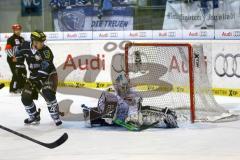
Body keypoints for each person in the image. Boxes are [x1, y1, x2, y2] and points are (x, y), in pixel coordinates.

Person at [82, 73, 178, 129]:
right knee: (99, 115)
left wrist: (133, 117)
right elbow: (101, 105)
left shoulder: (131, 92)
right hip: (110, 118)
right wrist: (108, 115)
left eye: (126, 86)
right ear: (117, 85)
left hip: (125, 117)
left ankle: (167, 117)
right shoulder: (110, 91)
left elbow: (137, 103)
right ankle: (91, 114)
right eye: (122, 86)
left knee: (143, 115)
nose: (124, 88)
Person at [16, 30, 62, 126]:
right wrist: (19, 68)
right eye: (41, 42)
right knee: (25, 97)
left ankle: (55, 116)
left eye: (43, 42)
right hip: (34, 75)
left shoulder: (46, 51)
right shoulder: (25, 46)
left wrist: (37, 81)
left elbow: (45, 69)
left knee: (48, 93)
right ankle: (34, 116)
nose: (43, 44)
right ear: (34, 41)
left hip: (49, 75)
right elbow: (17, 56)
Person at [5, 24, 25, 93]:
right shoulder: (11, 39)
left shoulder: (22, 39)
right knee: (16, 74)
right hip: (12, 60)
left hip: (19, 60)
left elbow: (24, 49)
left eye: (19, 29)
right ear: (13, 30)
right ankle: (13, 89)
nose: (18, 31)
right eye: (16, 30)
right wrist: (12, 57)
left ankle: (21, 87)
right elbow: (7, 50)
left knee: (22, 73)